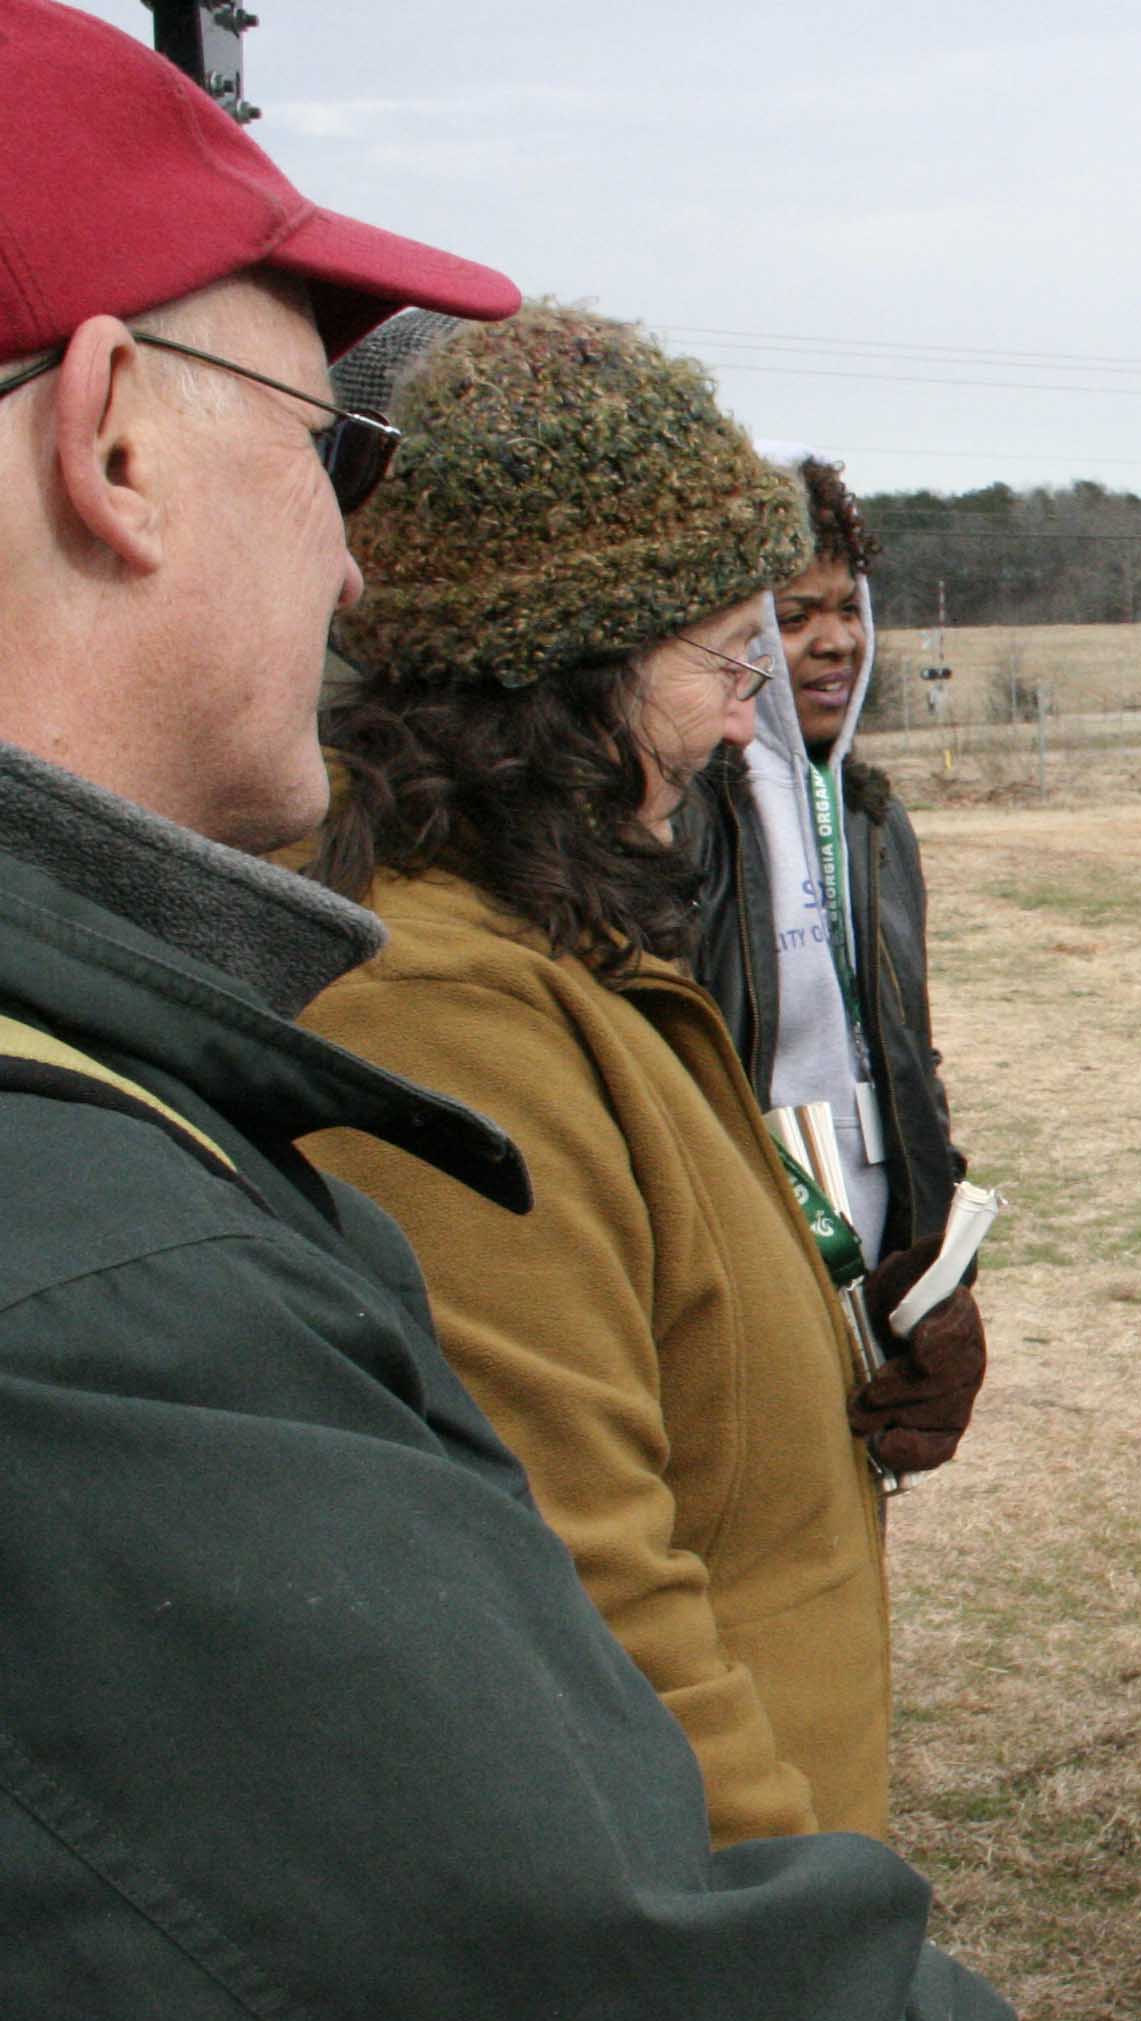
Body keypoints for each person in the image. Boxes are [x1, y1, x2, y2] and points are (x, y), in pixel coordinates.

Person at [0, 5, 1040, 2021]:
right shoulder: (417, 1045)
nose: (741, 718)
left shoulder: (600, 987)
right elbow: (601, 1665)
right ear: (107, 443)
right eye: (704, 650)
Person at [297, 303, 976, 1845]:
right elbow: (583, 1594)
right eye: (729, 655)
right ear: (566, 665)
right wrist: (803, 1955)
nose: (752, 717)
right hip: (725, 1913)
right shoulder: (436, 1013)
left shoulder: (578, 938)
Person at [693, 449, 983, 1460]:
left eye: (850, 608)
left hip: (868, 1276)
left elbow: (911, 1063)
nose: (836, 642)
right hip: (734, 1270)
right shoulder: (687, 811)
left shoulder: (869, 812)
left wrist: (944, 1279)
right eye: (796, 613)